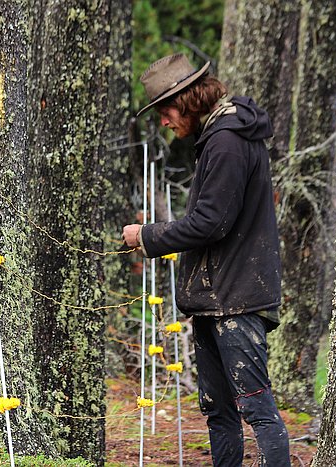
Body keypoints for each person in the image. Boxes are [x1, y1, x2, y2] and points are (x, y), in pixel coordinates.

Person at [123, 53, 291, 466]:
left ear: (189, 98)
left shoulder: (228, 140)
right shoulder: (220, 135)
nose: (164, 122)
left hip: (238, 300)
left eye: (166, 111)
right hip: (217, 297)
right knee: (219, 412)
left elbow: (211, 222)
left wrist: (148, 236)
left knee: (257, 409)